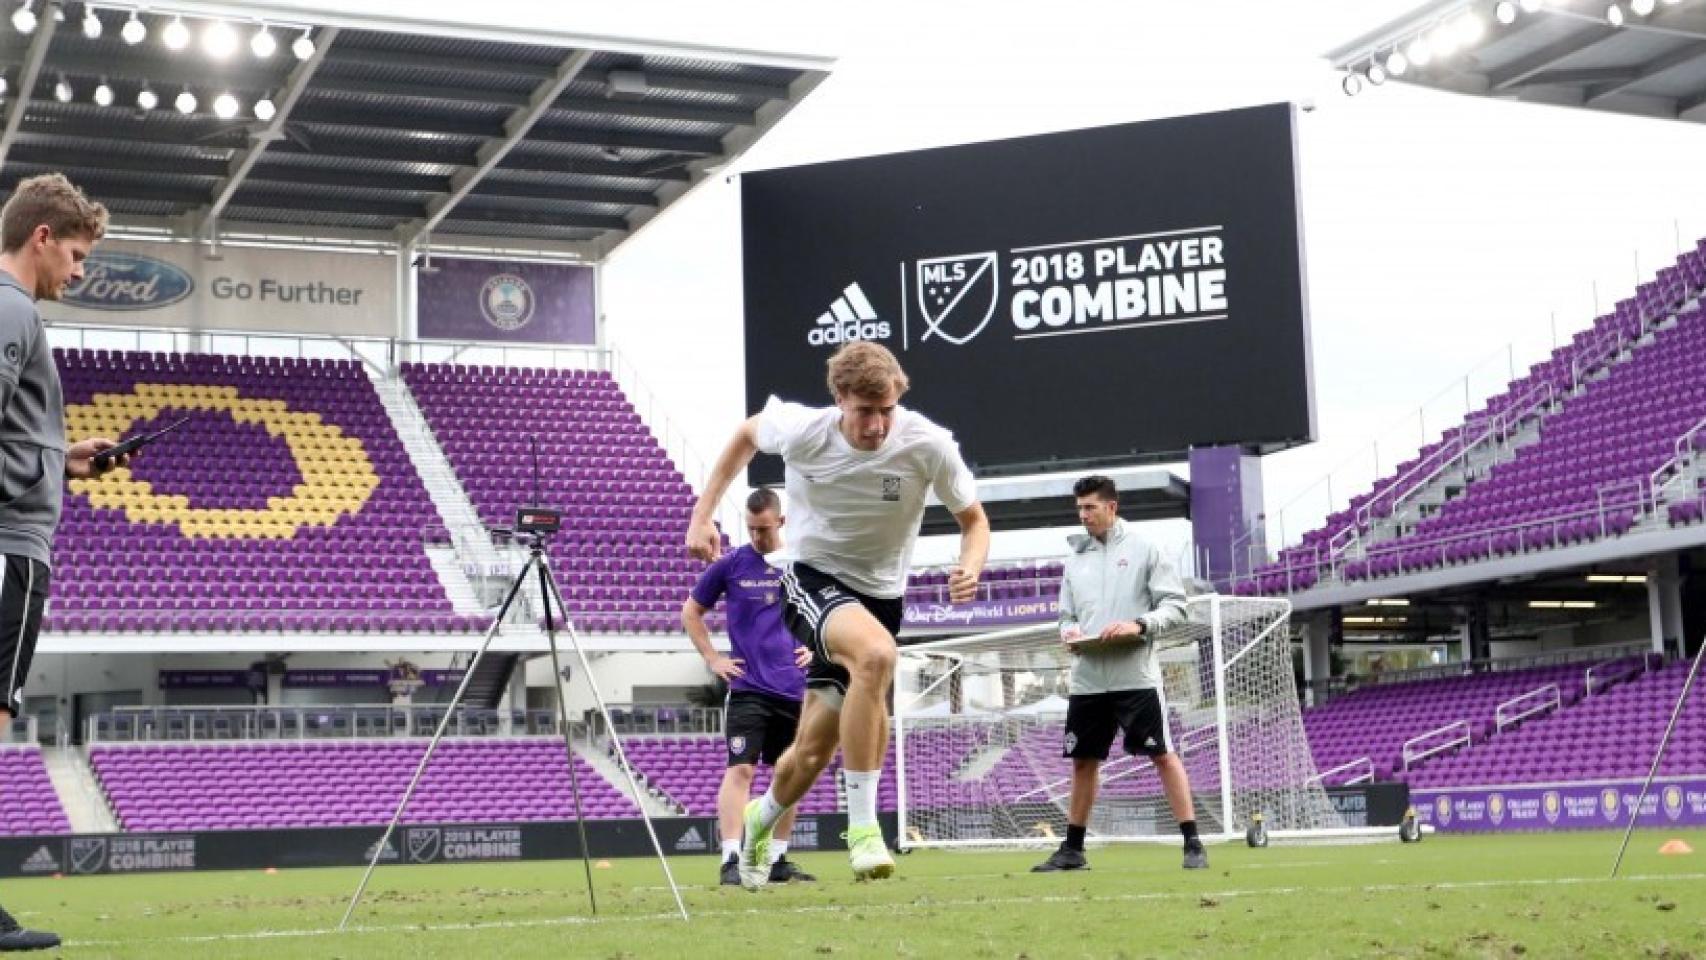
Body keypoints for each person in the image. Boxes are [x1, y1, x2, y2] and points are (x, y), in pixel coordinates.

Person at [686, 342, 988, 888]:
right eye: (864, 410)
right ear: (839, 399)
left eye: (887, 410)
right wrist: (702, 515)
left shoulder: (929, 444)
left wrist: (970, 565)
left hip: (881, 598)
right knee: (876, 657)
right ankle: (865, 828)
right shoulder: (804, 430)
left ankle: (762, 817)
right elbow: (745, 435)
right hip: (812, 578)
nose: (876, 425)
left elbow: (974, 520)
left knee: (810, 754)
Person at [0, 173, 130, 952]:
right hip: (11, 547)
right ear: (42, 238)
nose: (79, 272)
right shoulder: (13, 312)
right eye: (76, 254)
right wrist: (31, 476)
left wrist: (59, 455)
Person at [1032, 474, 1204, 873]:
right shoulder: (1075, 559)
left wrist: (1139, 625)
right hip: (1088, 678)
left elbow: (1177, 607)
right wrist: (1068, 632)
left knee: (1161, 754)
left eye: (1090, 508)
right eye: (1079, 509)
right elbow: (1066, 615)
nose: (1083, 516)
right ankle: (1073, 850)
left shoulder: (1146, 549)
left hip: (1136, 676)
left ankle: (1192, 842)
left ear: (1112, 507)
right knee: (1083, 761)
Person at [681, 487, 816, 886]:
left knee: (788, 775)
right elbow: (691, 613)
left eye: (763, 528)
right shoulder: (731, 565)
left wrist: (816, 646)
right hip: (748, 689)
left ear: (781, 522)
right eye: (751, 528)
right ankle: (730, 859)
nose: (757, 536)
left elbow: (827, 612)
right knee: (740, 768)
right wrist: (713, 659)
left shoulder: (801, 565)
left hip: (794, 690)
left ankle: (777, 860)